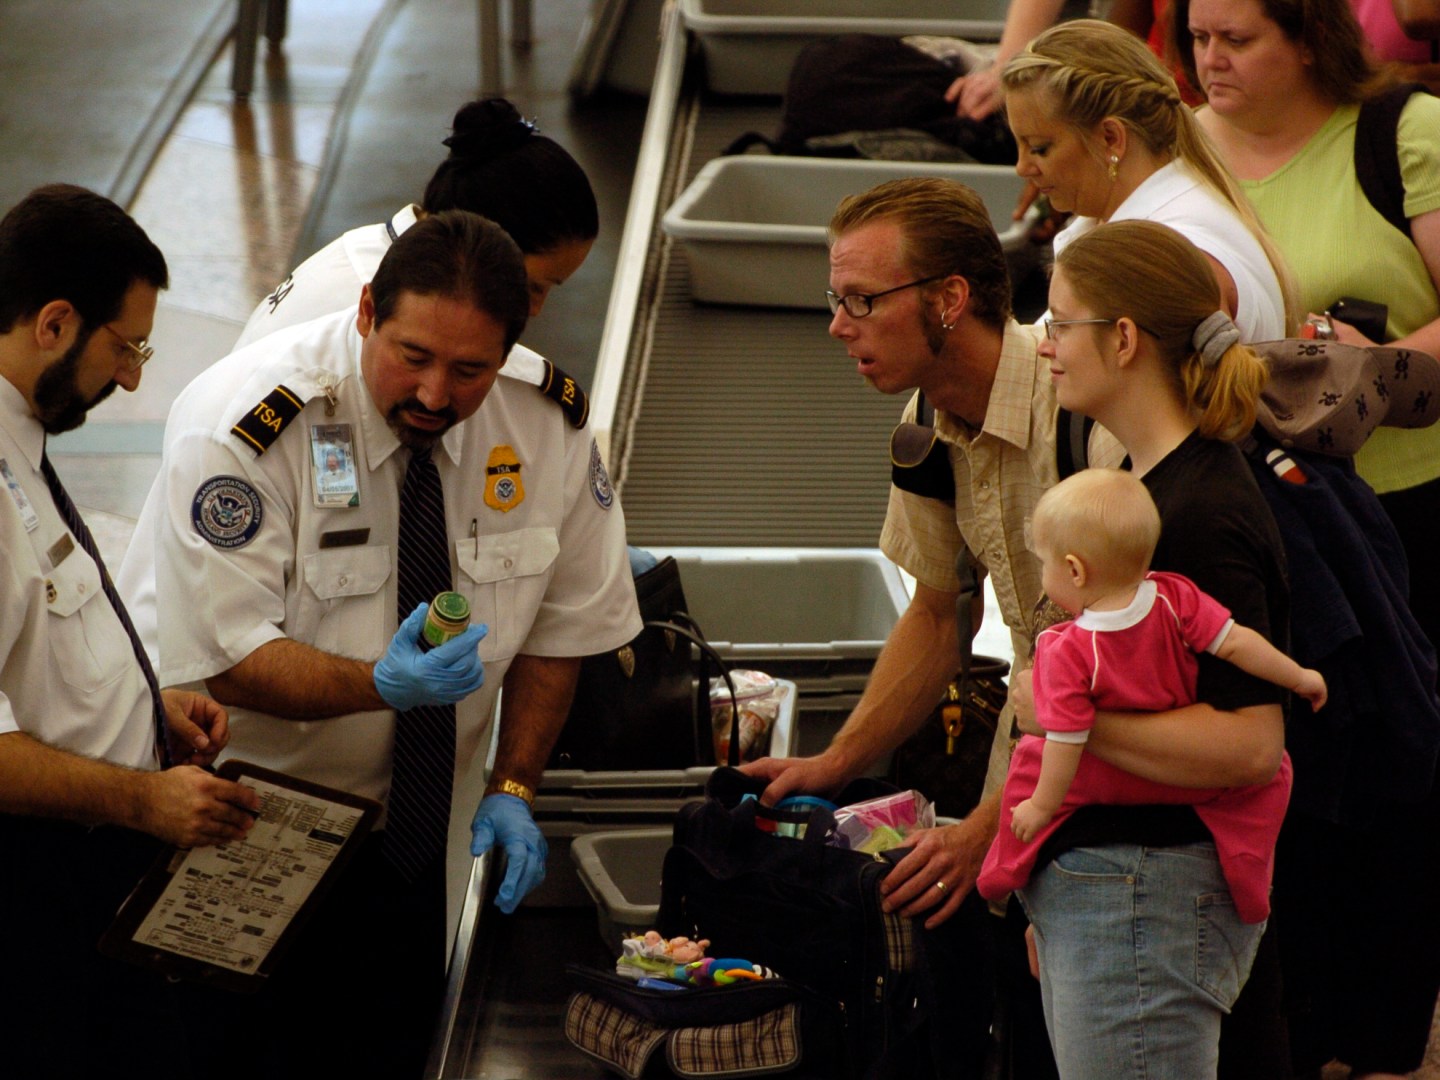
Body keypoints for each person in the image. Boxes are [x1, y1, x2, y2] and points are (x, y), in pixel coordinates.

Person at [120, 210, 641, 1078]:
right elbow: (229, 657)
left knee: (398, 1050)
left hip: (424, 842)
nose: (436, 394)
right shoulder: (247, 426)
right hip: (253, 829)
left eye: (470, 369)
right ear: (366, 310)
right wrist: (381, 684)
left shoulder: (545, 421)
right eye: (413, 357)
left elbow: (567, 624)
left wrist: (514, 782)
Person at [746, 175, 1131, 1078]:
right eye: (834, 301)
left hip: (1121, 809)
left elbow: (1131, 673)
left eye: (861, 301)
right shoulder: (930, 423)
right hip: (1031, 779)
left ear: (950, 300)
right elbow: (934, 615)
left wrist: (993, 824)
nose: (839, 326)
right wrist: (834, 765)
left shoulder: (1086, 423)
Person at [1175, 0, 1440, 1072]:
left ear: (1309, 38)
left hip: (1401, 507)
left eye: (1238, 37)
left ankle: (1373, 1037)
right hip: (1248, 514)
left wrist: (1350, 368)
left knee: (1394, 774)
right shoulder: (1180, 148)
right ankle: (1290, 1029)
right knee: (1273, 782)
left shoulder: (1400, 133)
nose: (1211, 58)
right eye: (1197, 36)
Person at [119, 96, 600, 659]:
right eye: (534, 285)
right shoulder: (345, 309)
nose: (534, 310)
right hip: (199, 648)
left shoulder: (388, 268)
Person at [1002, 218, 1288, 1077]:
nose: (1044, 346)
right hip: (1112, 893)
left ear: (1123, 339)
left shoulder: (1200, 514)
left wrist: (1057, 719)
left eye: (1058, 322)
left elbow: (1250, 743)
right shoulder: (1142, 487)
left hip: (1146, 896)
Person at [0, 184, 260, 1079]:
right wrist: (141, 800)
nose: (134, 377)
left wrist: (147, 705)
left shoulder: (19, 441)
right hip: (38, 891)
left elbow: (38, 641)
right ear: (55, 322)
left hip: (92, 874)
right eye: (126, 347)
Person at [979, 467, 1322, 927]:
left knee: (1031, 762)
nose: (1043, 576)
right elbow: (1240, 644)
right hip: (1188, 778)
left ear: (1075, 570)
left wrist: (1041, 806)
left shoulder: (1067, 649)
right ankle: (1250, 875)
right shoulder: (1175, 597)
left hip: (1107, 775)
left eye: (1045, 563)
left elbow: (1066, 738)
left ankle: (1001, 872)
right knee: (1275, 774)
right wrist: (1298, 677)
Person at [1000, 19, 1295, 341]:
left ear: (1111, 138)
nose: (1022, 167)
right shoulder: (1141, 225)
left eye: (1040, 148)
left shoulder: (1163, 258)